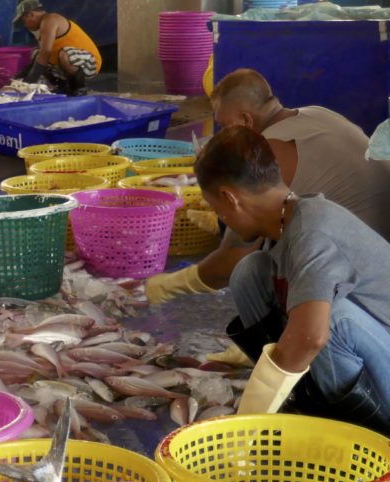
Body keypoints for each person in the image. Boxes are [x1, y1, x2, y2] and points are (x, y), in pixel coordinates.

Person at [194, 125, 390, 433]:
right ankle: (298, 398)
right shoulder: (286, 221)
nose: (221, 218)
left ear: (229, 198)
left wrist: (247, 424)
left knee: (330, 322)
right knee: (250, 272)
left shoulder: (313, 232)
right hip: (370, 356)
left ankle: (348, 428)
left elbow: (311, 337)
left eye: (215, 207)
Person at [147, 69, 390, 309]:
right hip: (377, 250)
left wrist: (168, 285)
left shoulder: (267, 153)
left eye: (224, 125)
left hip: (362, 284)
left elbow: (235, 255)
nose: (223, 133)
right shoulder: (317, 113)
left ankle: (283, 339)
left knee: (256, 265)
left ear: (246, 120)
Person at [14, 0, 101, 96]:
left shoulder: (51, 19)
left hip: (90, 63)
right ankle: (62, 87)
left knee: (64, 54)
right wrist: (18, 79)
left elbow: (45, 52)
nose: (25, 25)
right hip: (69, 65)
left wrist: (28, 84)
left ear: (30, 14)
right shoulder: (43, 27)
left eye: (23, 21)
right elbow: (39, 57)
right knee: (36, 53)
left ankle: (79, 89)